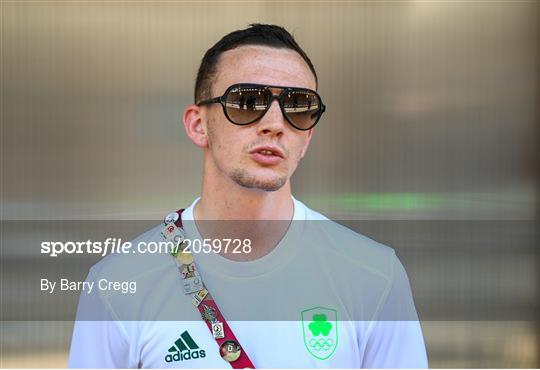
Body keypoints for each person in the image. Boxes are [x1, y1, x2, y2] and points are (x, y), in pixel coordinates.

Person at [68, 24, 428, 368]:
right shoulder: (118, 285)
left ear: (308, 139)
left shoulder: (373, 275)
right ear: (198, 125)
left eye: (298, 106)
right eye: (246, 101)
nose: (274, 123)